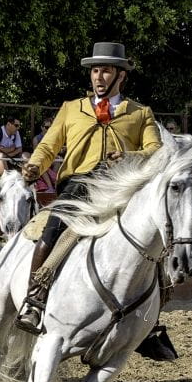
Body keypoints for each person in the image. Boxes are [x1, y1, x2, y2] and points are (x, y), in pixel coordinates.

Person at [15, 42, 162, 334]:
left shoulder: (140, 113)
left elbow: (156, 151)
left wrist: (130, 157)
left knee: (157, 242)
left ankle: (151, 321)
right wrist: (35, 165)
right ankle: (35, 299)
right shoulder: (71, 109)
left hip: (122, 189)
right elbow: (48, 145)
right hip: (79, 187)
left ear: (121, 76)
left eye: (106, 71)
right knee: (53, 230)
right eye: (95, 70)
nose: (99, 77)